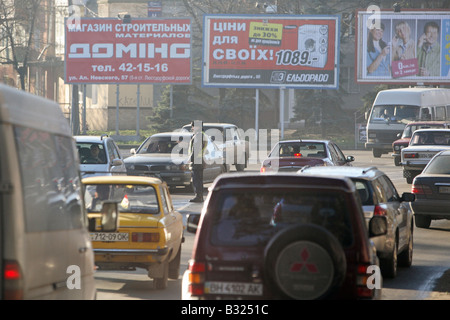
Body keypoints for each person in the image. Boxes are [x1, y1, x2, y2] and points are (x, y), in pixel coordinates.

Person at [189, 120, 208, 203]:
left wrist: (191, 159)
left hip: (197, 160)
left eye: (193, 126)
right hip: (200, 160)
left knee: (196, 179)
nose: (192, 128)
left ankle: (198, 196)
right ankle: (200, 196)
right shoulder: (201, 135)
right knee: (199, 179)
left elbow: (196, 150)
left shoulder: (198, 136)